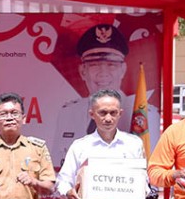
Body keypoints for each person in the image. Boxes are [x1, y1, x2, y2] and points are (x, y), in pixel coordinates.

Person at [52, 24, 161, 167]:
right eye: (94, 65)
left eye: (111, 65)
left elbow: (150, 169)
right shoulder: (68, 113)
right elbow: (58, 166)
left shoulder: (144, 114)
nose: (103, 72)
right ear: (82, 71)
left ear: (123, 70)